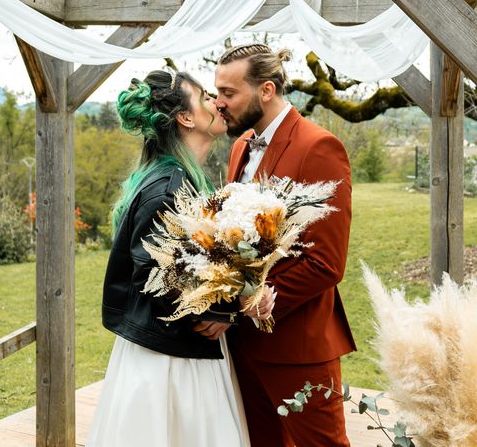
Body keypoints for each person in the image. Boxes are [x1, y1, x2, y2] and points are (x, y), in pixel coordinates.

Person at [87, 70, 273, 447]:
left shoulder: (182, 179)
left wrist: (239, 294)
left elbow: (193, 265)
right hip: (170, 364)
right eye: (206, 97)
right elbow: (154, 280)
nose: (217, 103)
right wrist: (233, 307)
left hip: (176, 350)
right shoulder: (168, 189)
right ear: (185, 118)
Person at [204, 43, 357, 447]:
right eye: (217, 92)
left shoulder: (319, 147)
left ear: (266, 90)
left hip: (298, 346)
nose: (219, 104)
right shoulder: (240, 146)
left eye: (229, 93)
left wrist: (252, 304)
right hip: (242, 345)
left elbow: (326, 262)